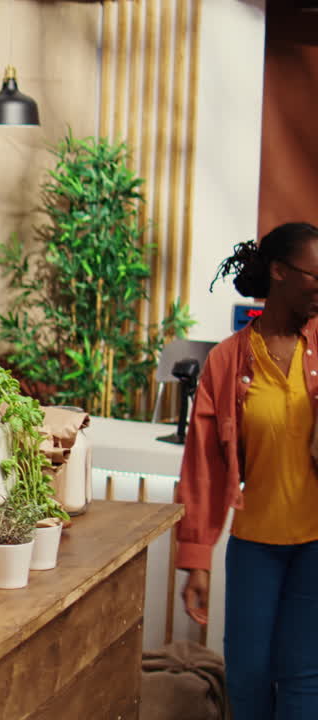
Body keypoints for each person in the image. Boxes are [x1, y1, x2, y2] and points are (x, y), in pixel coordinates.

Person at [177, 222, 318, 719]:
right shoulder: (226, 360)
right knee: (247, 676)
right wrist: (197, 556)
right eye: (314, 277)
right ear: (279, 273)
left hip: (316, 546)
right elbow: (202, 466)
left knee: (306, 679)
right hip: (256, 543)